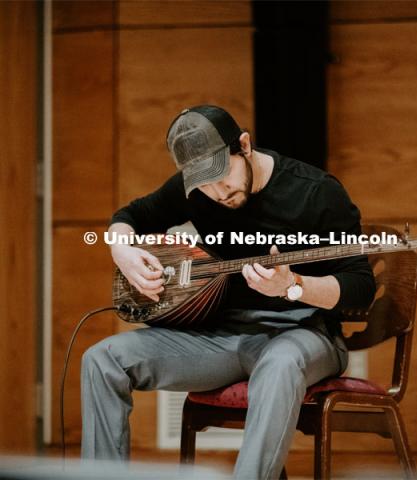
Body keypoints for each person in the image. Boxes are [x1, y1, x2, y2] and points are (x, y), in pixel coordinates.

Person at [81, 105, 376, 479]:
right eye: (202, 182)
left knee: (280, 363)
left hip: (304, 333)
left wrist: (294, 286)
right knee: (103, 359)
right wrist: (121, 250)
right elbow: (132, 215)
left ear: (244, 146)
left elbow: (360, 288)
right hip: (221, 337)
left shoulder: (317, 192)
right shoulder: (197, 192)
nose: (217, 192)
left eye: (222, 175)